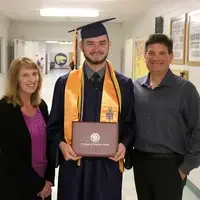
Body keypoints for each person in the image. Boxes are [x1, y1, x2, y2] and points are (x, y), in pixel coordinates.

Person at [47, 18, 135, 200]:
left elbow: (130, 125)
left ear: (109, 44)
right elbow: (53, 126)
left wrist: (124, 145)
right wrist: (61, 145)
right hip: (74, 166)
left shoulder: (123, 85)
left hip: (108, 167)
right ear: (81, 46)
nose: (97, 49)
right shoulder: (64, 83)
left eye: (102, 43)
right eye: (90, 44)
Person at [132, 33, 200, 200]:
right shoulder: (135, 87)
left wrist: (185, 168)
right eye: (151, 53)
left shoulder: (186, 90)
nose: (156, 58)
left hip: (171, 165)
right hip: (140, 163)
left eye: (162, 53)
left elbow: (198, 129)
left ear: (171, 57)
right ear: (144, 56)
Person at [0, 57, 55, 200]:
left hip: (44, 183)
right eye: (25, 75)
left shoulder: (41, 105)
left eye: (34, 74)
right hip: (17, 185)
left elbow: (49, 143)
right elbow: (10, 155)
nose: (32, 79)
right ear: (15, 79)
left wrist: (48, 180)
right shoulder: (5, 108)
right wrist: (38, 184)